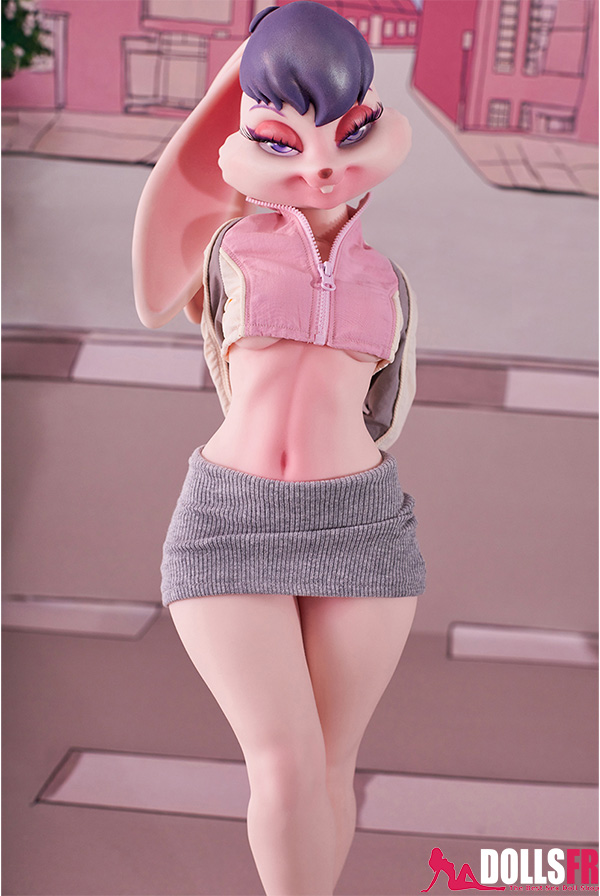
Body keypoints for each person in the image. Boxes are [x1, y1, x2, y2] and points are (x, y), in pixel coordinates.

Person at [133, 3, 426, 893]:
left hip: (360, 524)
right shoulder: (227, 247)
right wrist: (245, 73)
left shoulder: (390, 280)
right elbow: (152, 283)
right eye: (279, 138)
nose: (321, 165)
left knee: (331, 766)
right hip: (231, 517)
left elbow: (387, 412)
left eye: (347, 130)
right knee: (287, 762)